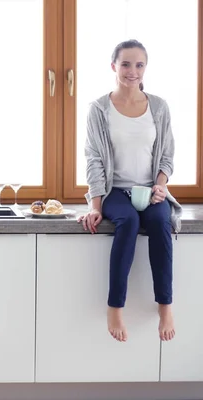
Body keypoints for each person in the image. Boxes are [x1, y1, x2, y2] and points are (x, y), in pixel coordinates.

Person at [77, 39, 183, 343]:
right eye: (125, 64)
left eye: (138, 65)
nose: (132, 71)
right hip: (115, 192)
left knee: (161, 222)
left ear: (145, 68)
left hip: (150, 191)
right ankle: (115, 307)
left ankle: (165, 305)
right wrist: (96, 206)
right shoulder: (99, 109)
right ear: (114, 66)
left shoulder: (159, 107)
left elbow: (167, 156)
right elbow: (94, 159)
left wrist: (161, 187)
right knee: (129, 223)